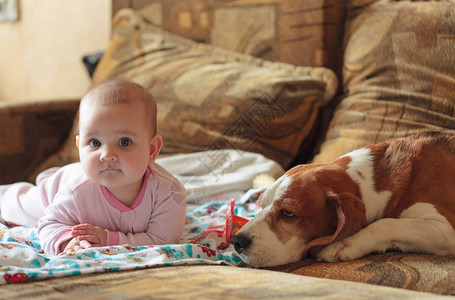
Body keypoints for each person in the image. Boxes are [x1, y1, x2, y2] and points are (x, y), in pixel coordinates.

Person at [0, 79, 187, 255]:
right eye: (95, 143)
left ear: (152, 150)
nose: (106, 155)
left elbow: (163, 240)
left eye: (124, 142)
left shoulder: (169, 192)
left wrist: (108, 239)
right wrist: (67, 242)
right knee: (15, 205)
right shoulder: (76, 191)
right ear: (80, 146)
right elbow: (49, 225)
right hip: (54, 190)